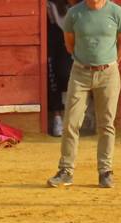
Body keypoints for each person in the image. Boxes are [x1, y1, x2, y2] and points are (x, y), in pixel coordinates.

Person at [47, 0, 121, 189]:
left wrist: (109, 64)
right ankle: (66, 170)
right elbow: (69, 44)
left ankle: (105, 172)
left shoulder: (116, 12)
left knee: (106, 124)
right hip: (80, 73)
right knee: (70, 123)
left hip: (108, 73)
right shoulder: (74, 13)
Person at [46, 0, 73, 137]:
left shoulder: (83, 6)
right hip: (56, 45)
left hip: (76, 44)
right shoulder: (49, 6)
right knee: (52, 71)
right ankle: (57, 116)